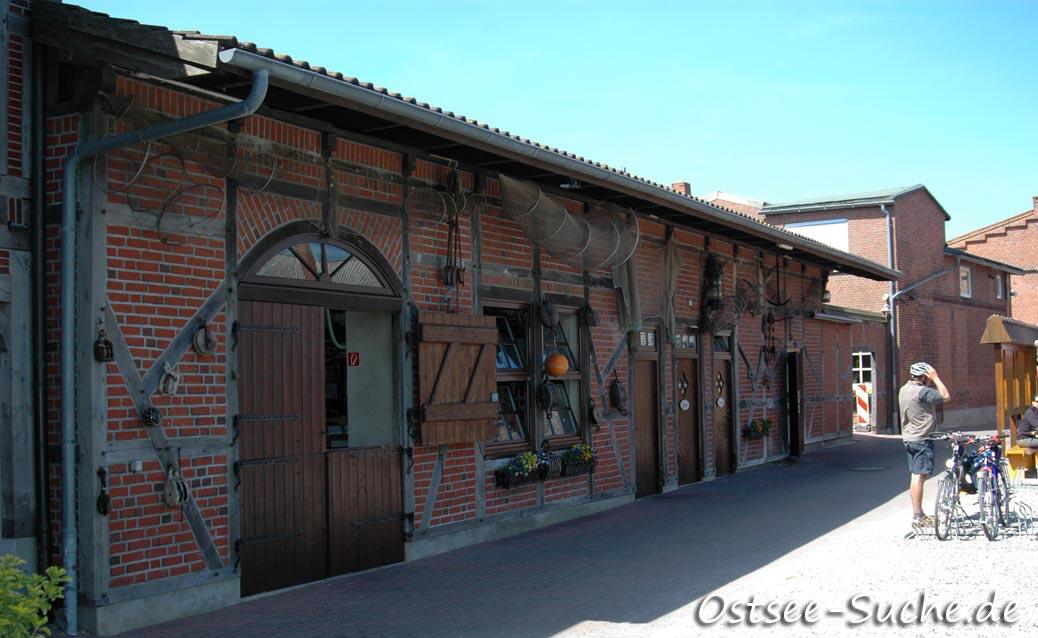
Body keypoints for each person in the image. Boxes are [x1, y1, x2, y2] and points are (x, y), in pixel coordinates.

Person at [899, 362, 950, 527]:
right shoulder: (922, 392)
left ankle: (918, 514)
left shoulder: (904, 389)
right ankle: (918, 516)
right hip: (922, 439)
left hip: (909, 438)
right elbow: (945, 396)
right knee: (920, 477)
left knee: (915, 476)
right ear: (924, 377)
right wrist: (935, 377)